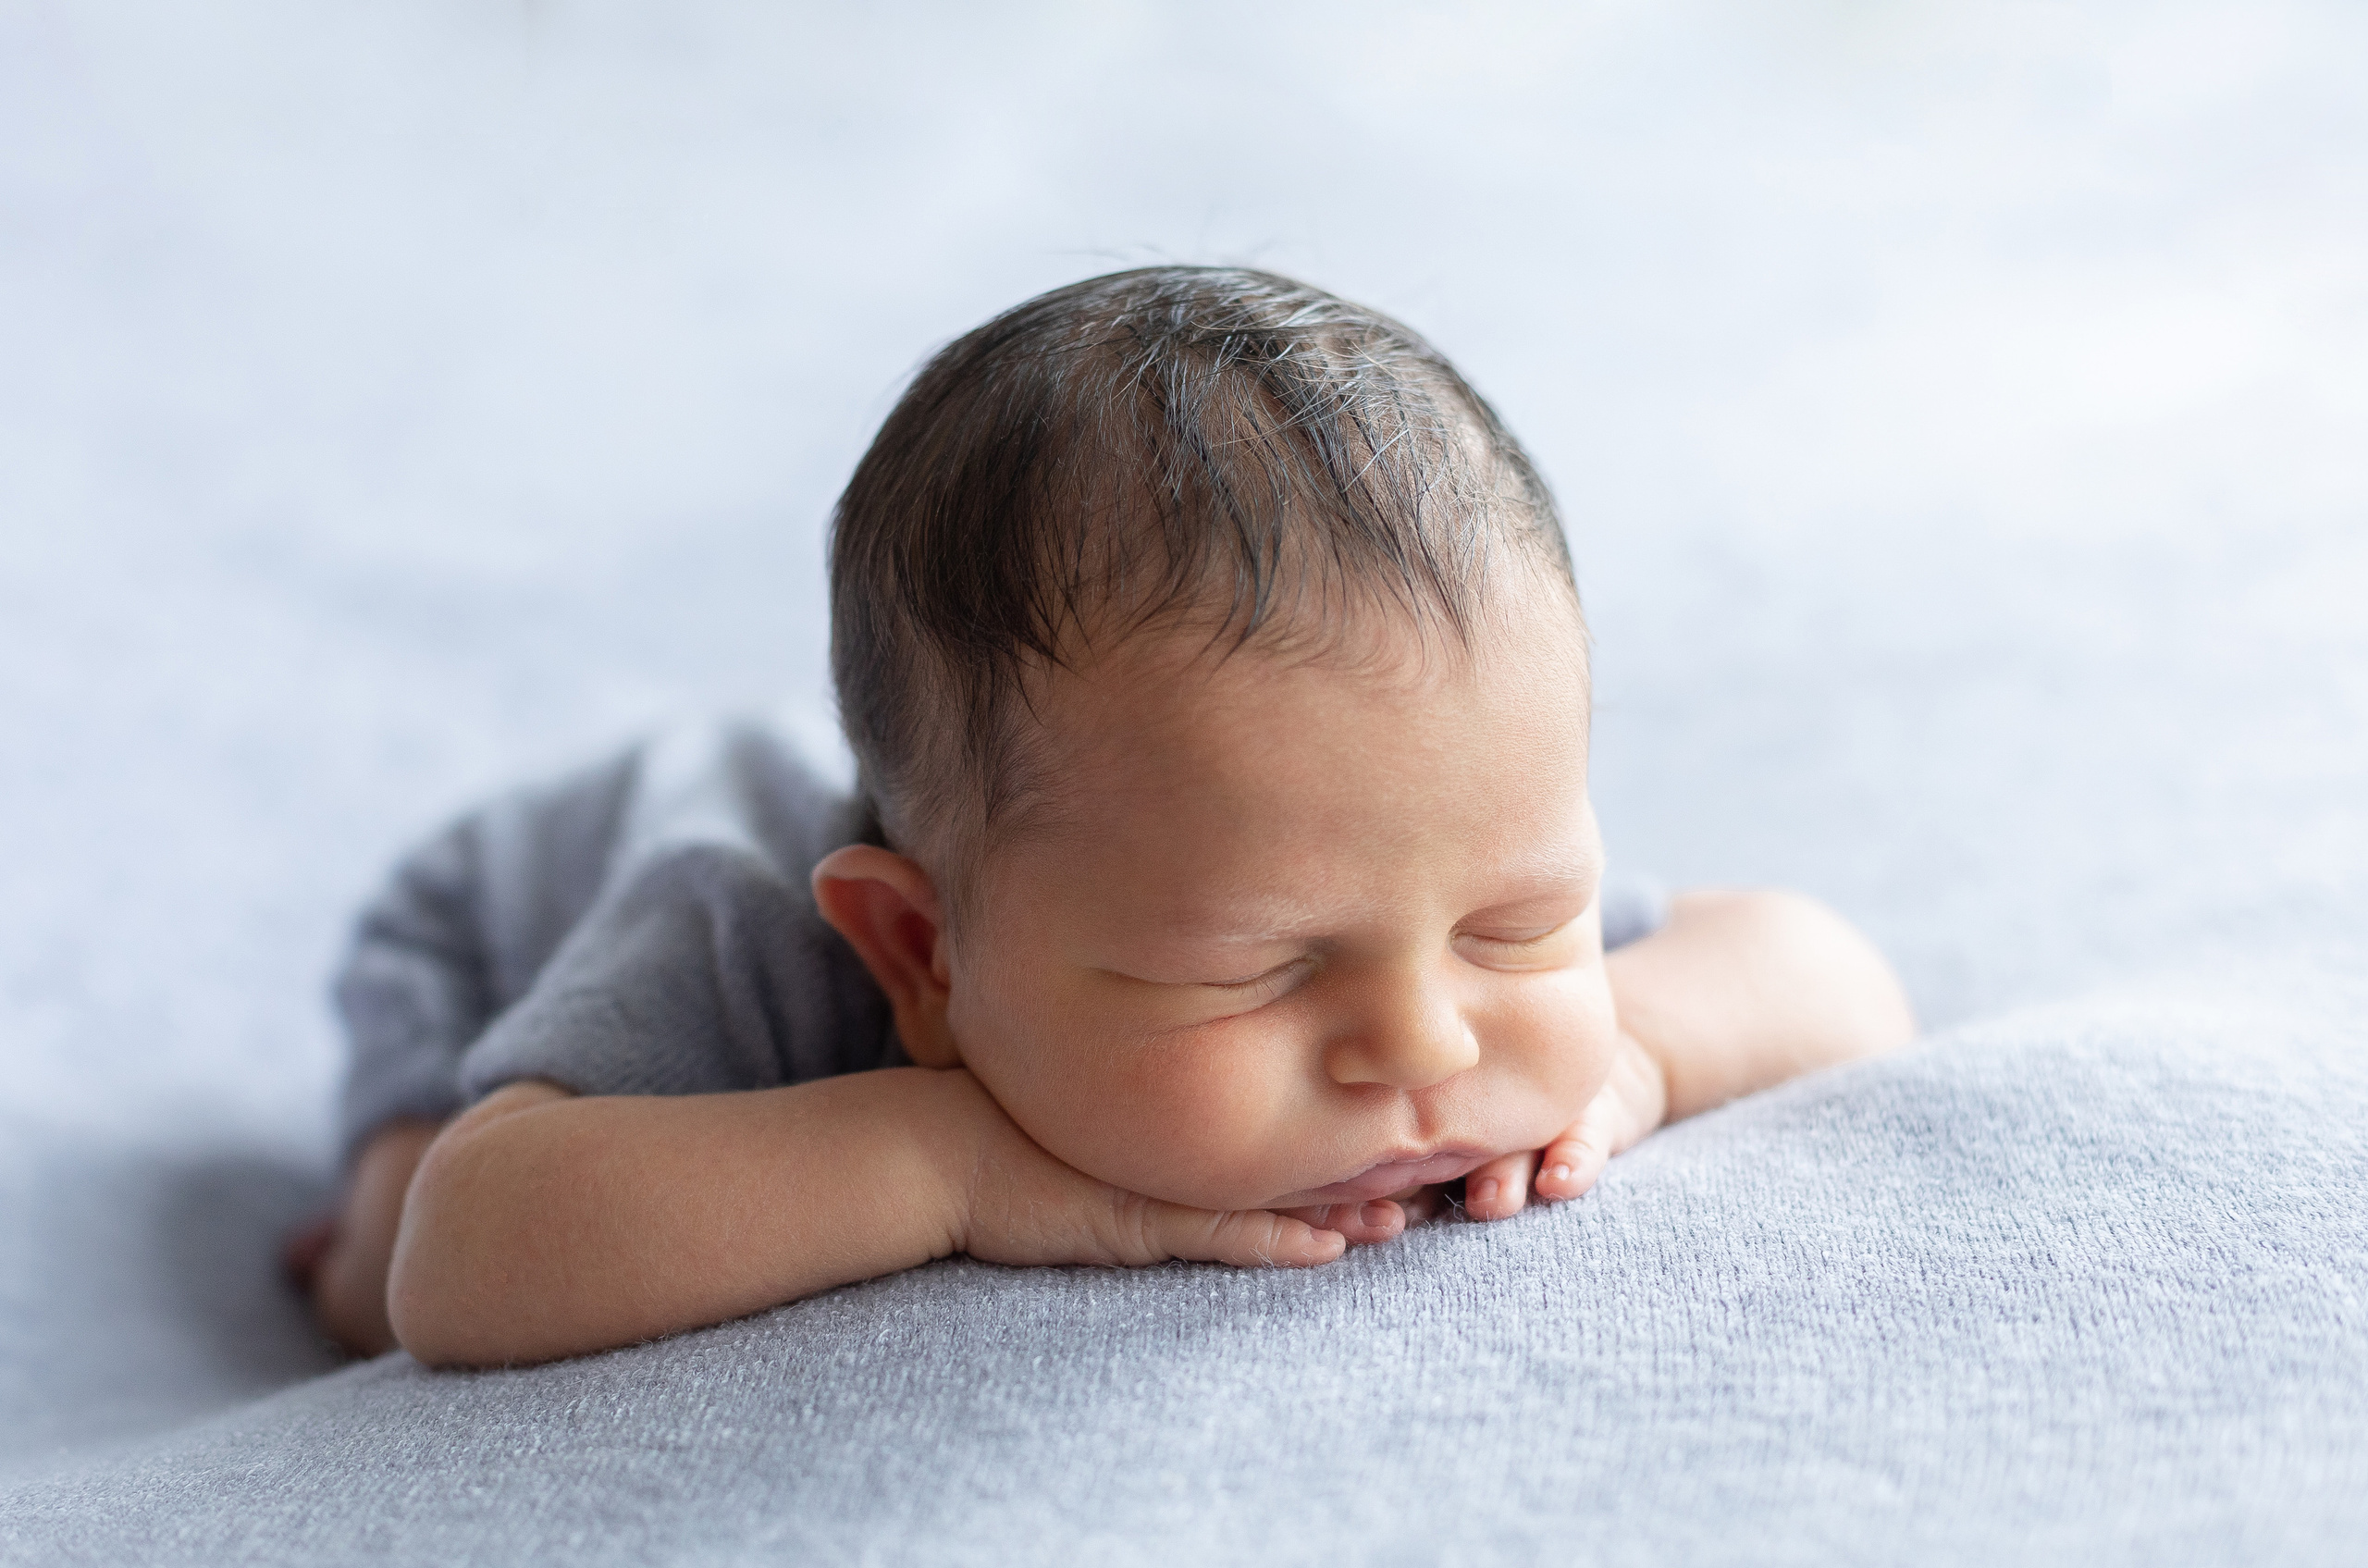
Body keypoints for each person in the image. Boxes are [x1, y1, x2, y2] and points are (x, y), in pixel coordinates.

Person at [287, 266, 1917, 1367]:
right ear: (923, 957)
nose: (1425, 1040)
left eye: (1518, 923)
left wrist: (1631, 1047)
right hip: (492, 913)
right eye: (1264, 969)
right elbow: (467, 1256)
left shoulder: (1403, 843)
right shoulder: (732, 938)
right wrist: (946, 1165)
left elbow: (1832, 975)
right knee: (361, 1289)